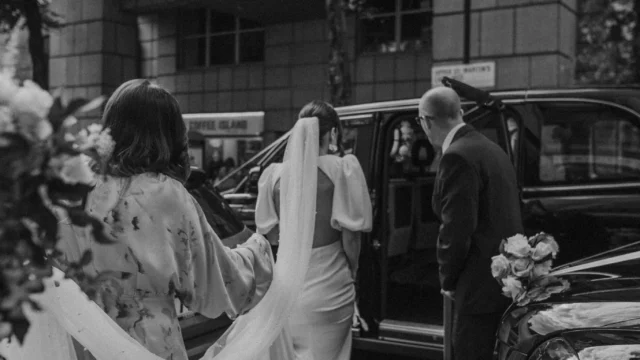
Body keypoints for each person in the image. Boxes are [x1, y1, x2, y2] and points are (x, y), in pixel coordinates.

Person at [48, 79, 274, 360]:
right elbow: (214, 283)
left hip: (81, 343)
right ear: (169, 133)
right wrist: (258, 251)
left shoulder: (71, 184)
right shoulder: (165, 193)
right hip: (148, 343)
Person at [209, 100, 373, 360]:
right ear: (332, 133)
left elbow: (270, 235)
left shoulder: (274, 176)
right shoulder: (343, 169)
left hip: (286, 287)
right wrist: (352, 271)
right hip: (330, 287)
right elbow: (351, 237)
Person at [417, 87, 523, 360]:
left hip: (475, 288)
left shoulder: (456, 156)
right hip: (503, 283)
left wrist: (447, 279)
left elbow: (456, 229)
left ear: (426, 122)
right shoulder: (494, 148)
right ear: (460, 113)